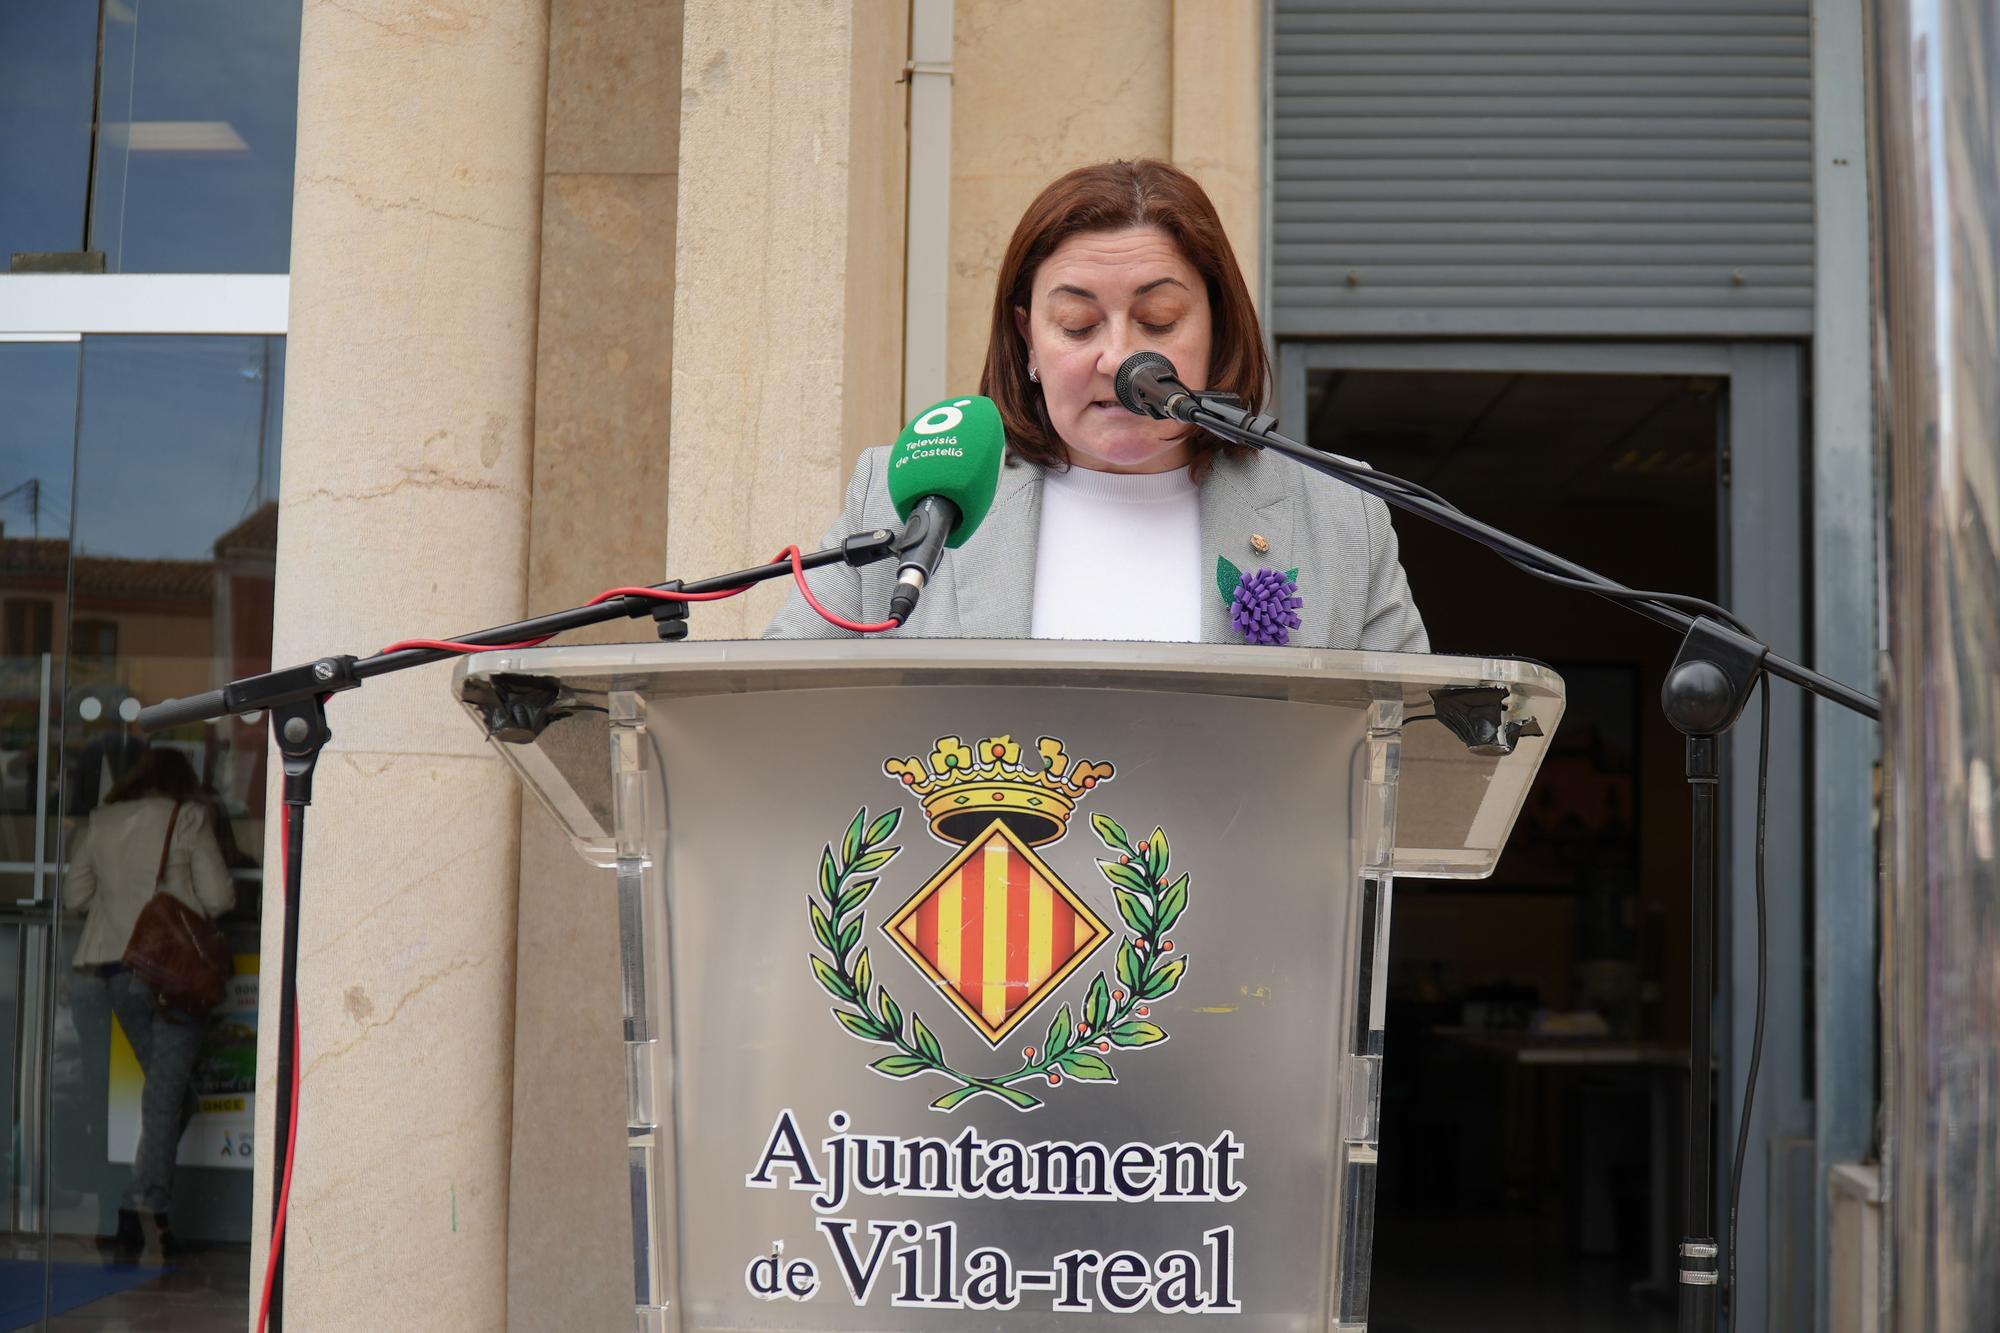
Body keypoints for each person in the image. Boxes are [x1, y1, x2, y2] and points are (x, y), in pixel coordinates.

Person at [765, 158, 1427, 650]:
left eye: (1160, 320)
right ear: (1027, 339)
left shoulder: (1340, 511)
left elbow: (1413, 774)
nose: (1118, 358)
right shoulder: (902, 496)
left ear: (1218, 328)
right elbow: (767, 725)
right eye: (1079, 325)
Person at [63, 745, 234, 1259]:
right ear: (184, 782)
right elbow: (221, 897)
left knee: (171, 1097)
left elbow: (75, 898)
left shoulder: (101, 820)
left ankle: (130, 1211)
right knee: (166, 1098)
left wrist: (123, 904)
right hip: (172, 978)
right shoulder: (189, 818)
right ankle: (145, 1214)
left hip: (112, 974)